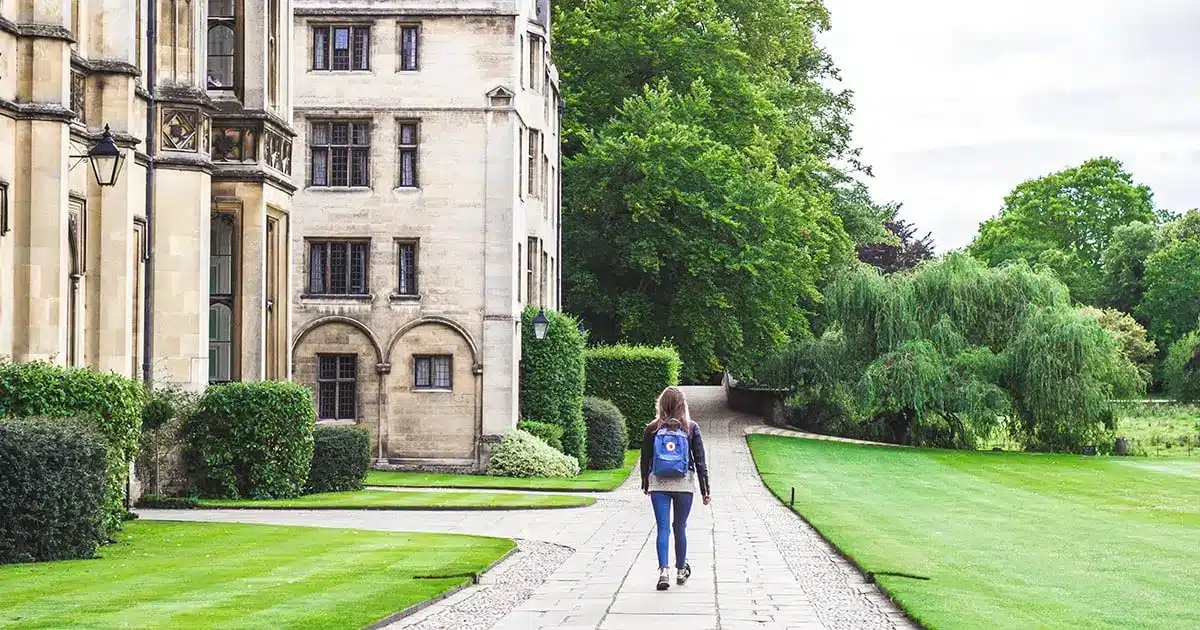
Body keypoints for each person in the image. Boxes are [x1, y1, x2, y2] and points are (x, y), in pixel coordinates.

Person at [640, 386, 710, 591]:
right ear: (682, 405)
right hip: (684, 484)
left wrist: (646, 483)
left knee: (662, 528)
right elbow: (700, 461)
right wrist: (706, 490)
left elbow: (645, 460)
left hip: (659, 483)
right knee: (680, 527)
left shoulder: (652, 429)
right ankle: (681, 571)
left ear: (661, 404)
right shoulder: (691, 428)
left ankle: (663, 571)